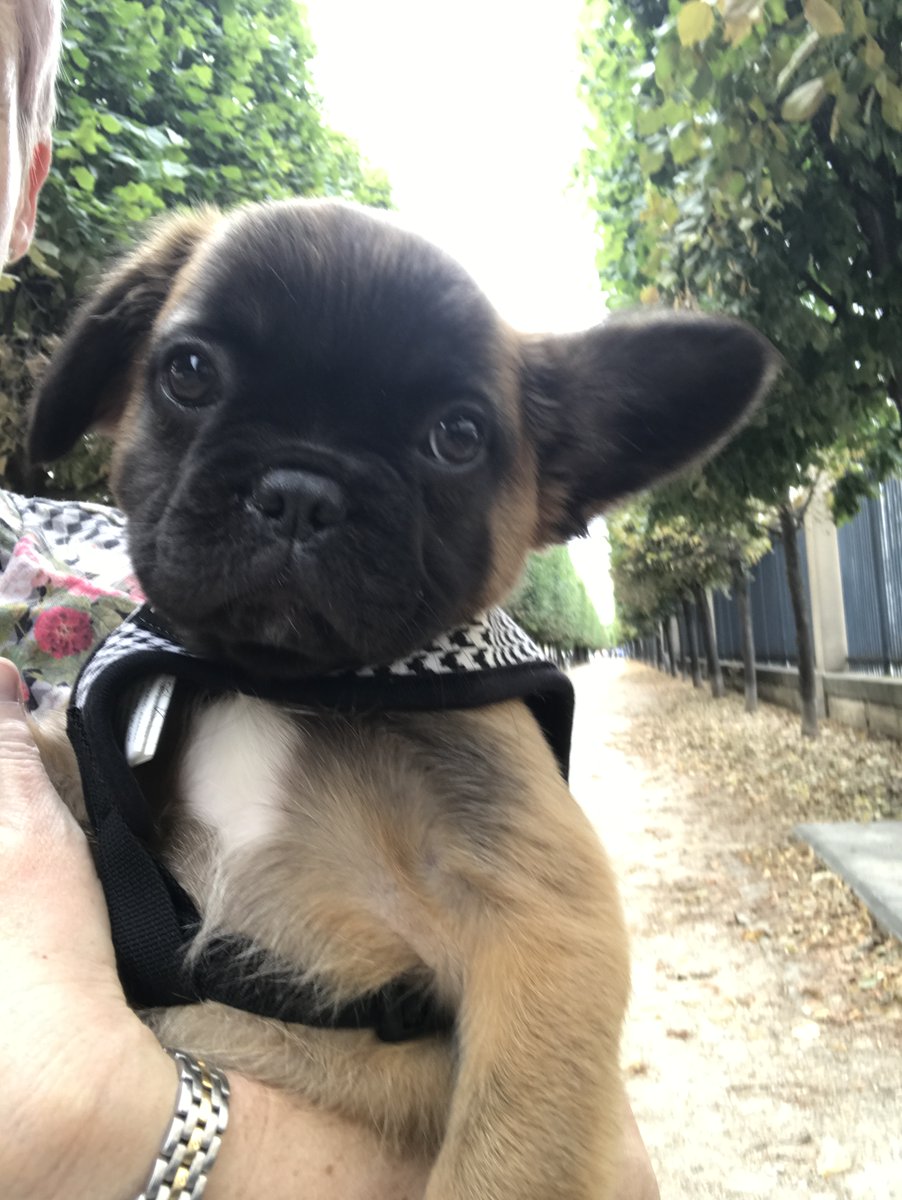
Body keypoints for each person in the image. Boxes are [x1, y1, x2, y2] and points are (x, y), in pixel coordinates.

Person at [0, 3, 659, 1196]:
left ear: (554, 486)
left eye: (451, 436)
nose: (296, 499)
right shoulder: (100, 670)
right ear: (112, 392)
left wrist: (115, 1128)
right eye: (196, 378)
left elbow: (561, 991)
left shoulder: (453, 710)